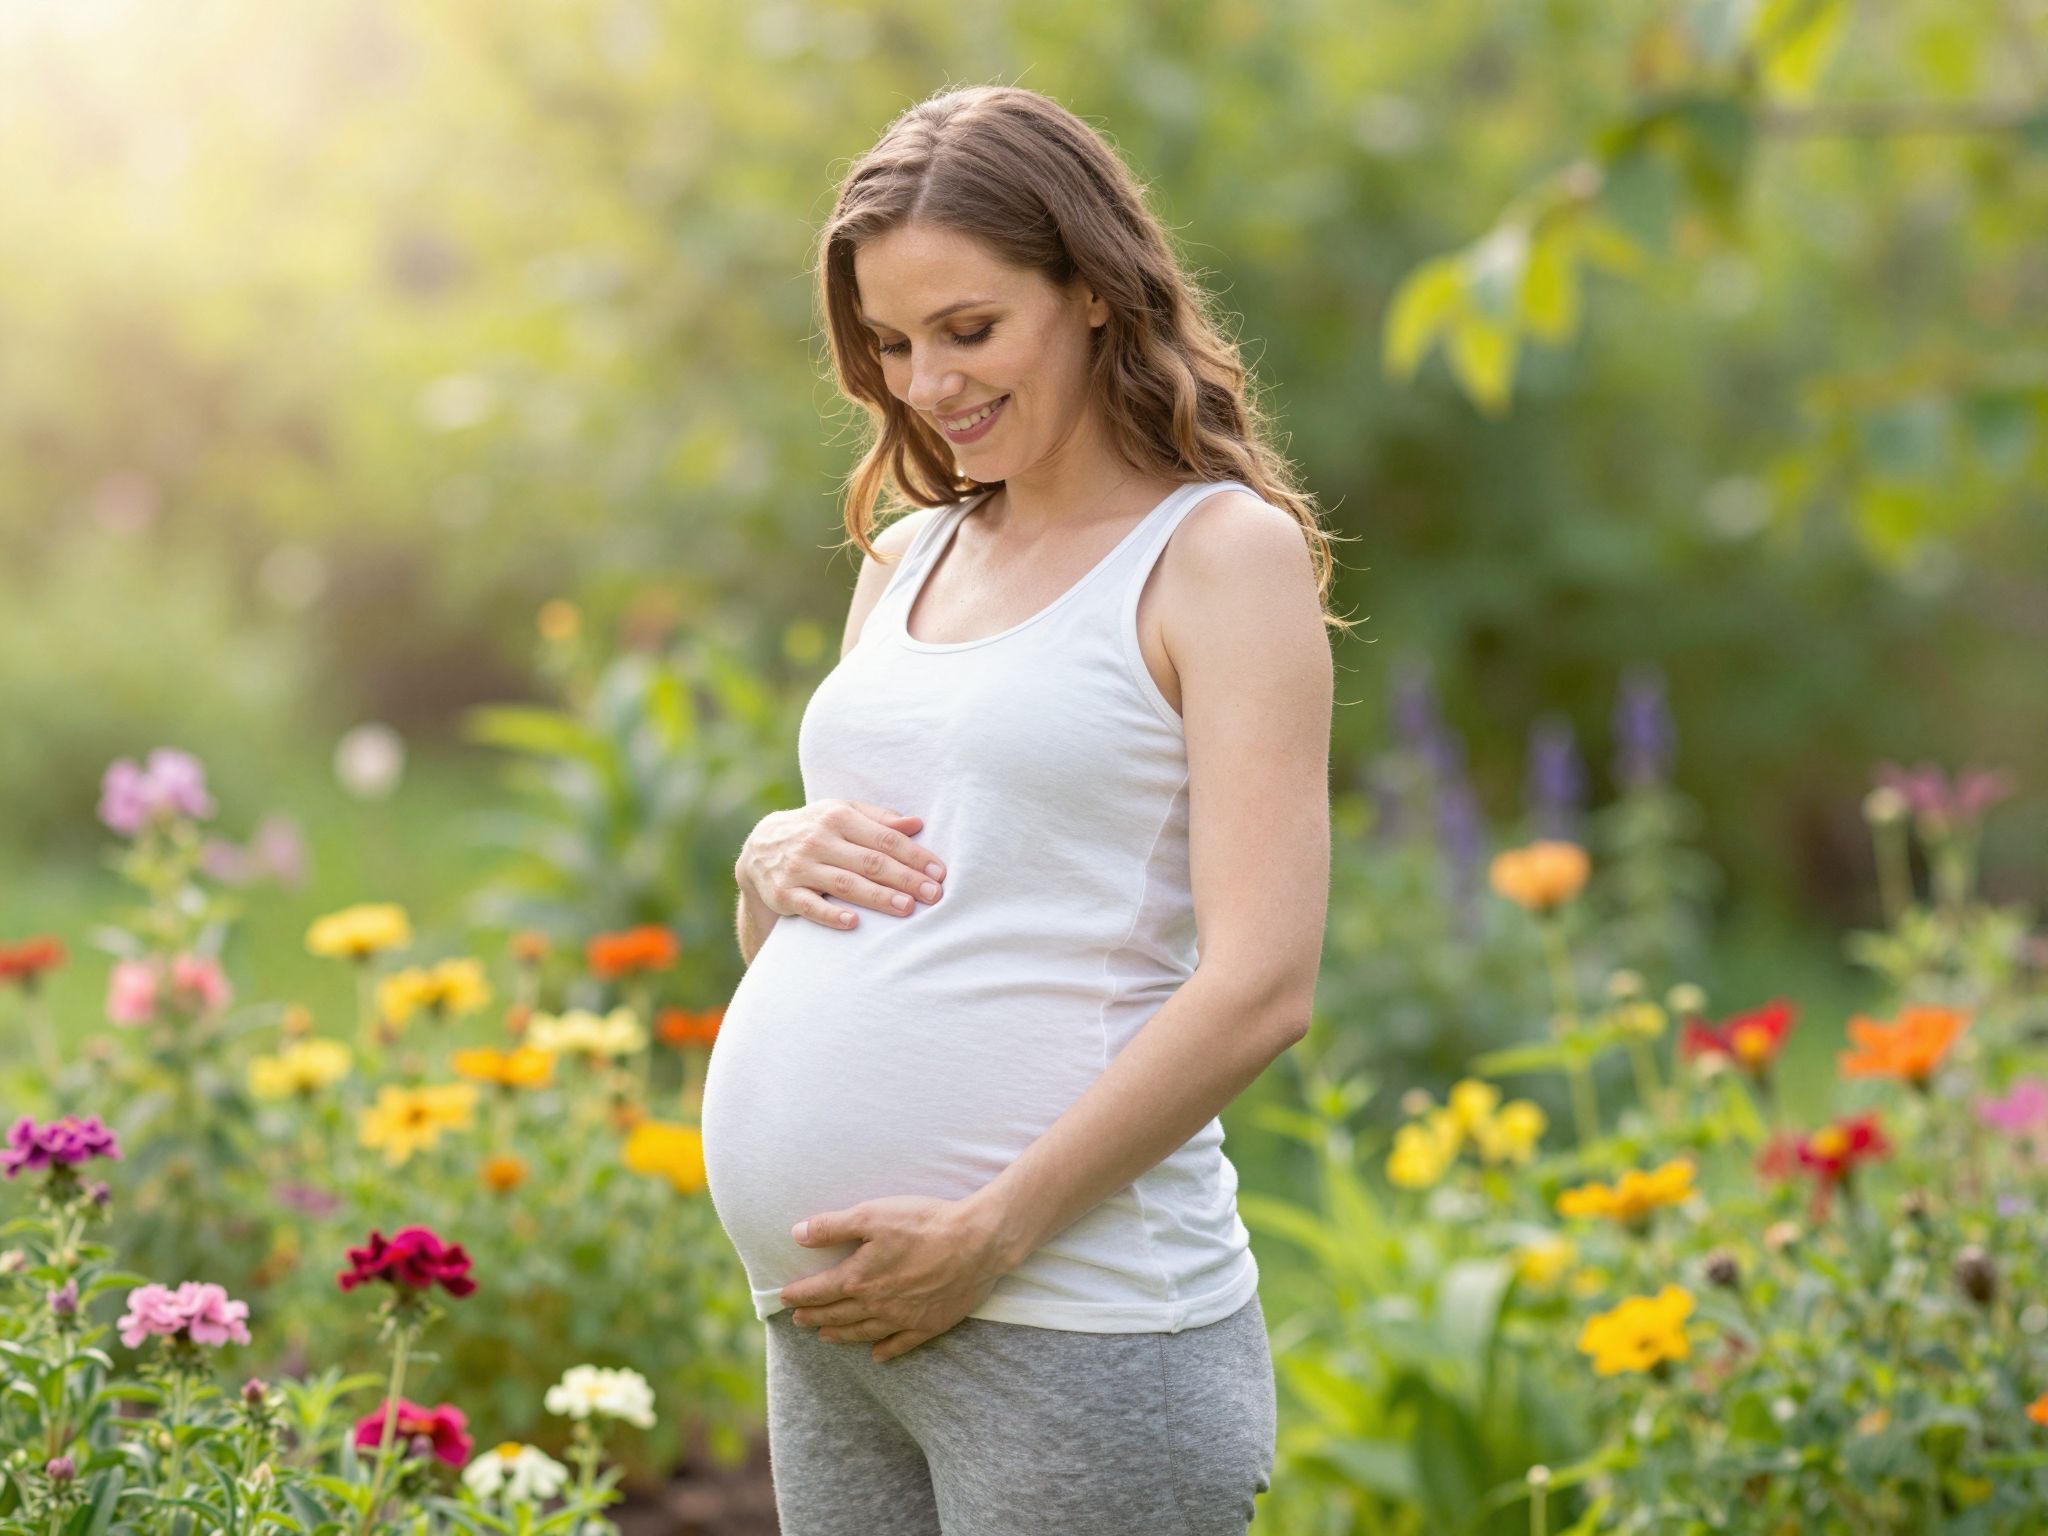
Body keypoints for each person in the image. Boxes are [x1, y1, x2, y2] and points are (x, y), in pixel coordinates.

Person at [701, 82, 1344, 1535]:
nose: (929, 383)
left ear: (1094, 291)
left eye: (970, 329)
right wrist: (766, 865)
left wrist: (989, 1234)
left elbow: (1263, 985)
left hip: (1076, 1323)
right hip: (839, 1329)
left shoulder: (1216, 557)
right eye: (892, 345)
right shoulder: (910, 557)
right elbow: (859, 934)